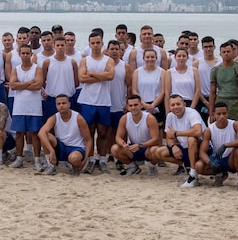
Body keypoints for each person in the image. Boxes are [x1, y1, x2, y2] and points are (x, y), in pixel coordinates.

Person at [77, 31, 115, 174]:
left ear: (102, 43)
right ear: (89, 44)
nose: (95, 45)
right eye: (93, 43)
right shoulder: (85, 60)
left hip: (103, 101)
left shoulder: (108, 60)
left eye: (98, 43)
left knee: (103, 132)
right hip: (87, 101)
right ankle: (91, 160)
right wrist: (102, 76)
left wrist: (91, 73)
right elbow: (82, 78)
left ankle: (102, 159)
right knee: (89, 132)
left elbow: (110, 76)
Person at [195, 101, 238, 190]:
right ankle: (220, 174)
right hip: (217, 158)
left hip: (232, 158)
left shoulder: (235, 124)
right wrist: (209, 162)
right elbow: (202, 152)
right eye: (219, 114)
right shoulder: (209, 130)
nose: (222, 116)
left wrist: (225, 145)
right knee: (198, 166)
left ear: (228, 113)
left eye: (224, 113)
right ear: (214, 114)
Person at [8, 44, 45, 170]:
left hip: (34, 107)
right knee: (19, 134)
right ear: (19, 54)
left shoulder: (37, 69)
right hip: (19, 106)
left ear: (31, 54)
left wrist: (21, 84)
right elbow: (13, 85)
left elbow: (38, 85)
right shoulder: (16, 69)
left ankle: (37, 159)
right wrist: (29, 82)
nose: (25, 56)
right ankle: (19, 158)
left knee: (35, 134)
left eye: (27, 53)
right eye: (22, 53)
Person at [155, 94, 204, 187]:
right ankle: (187, 166)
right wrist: (173, 146)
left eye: (178, 104)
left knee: (191, 139)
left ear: (184, 104)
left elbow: (198, 131)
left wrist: (176, 133)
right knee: (159, 152)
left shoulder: (192, 113)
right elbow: (169, 137)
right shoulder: (170, 116)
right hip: (184, 147)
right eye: (173, 105)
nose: (176, 107)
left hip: (200, 147)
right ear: (169, 107)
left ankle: (193, 175)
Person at [37, 94, 92, 175]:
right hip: (61, 146)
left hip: (76, 148)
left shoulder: (78, 118)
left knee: (74, 158)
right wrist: (51, 150)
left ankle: (73, 165)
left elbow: (88, 140)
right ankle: (51, 165)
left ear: (69, 104)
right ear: (56, 106)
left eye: (64, 103)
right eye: (59, 104)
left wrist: (86, 158)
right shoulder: (54, 117)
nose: (61, 106)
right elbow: (41, 133)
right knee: (45, 135)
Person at [111, 94, 161, 176]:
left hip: (147, 147)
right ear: (127, 107)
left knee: (155, 150)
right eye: (130, 105)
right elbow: (118, 137)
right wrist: (122, 144)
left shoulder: (150, 118)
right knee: (114, 148)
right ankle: (133, 167)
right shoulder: (124, 118)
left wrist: (141, 145)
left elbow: (156, 139)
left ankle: (152, 166)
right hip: (133, 147)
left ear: (141, 105)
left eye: (135, 105)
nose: (133, 108)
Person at [209, 39, 238, 125]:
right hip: (220, 101)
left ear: (233, 52)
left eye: (228, 51)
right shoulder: (215, 70)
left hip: (235, 102)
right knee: (221, 128)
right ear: (220, 54)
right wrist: (211, 113)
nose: (226, 54)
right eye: (224, 52)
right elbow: (212, 92)